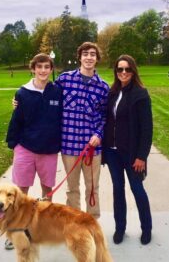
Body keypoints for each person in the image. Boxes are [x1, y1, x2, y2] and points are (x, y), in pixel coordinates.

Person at [5, 53, 62, 249]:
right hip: (25, 148)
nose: (43, 70)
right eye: (39, 67)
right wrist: (13, 143)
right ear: (33, 69)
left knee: (47, 191)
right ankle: (16, 230)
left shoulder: (57, 91)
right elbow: (17, 120)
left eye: (47, 67)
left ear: (51, 69)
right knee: (21, 192)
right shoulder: (22, 93)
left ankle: (43, 228)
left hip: (49, 149)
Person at [55, 42, 109, 219]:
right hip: (69, 145)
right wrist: (19, 100)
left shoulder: (103, 87)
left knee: (92, 187)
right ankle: (74, 223)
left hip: (92, 148)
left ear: (97, 59)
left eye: (93, 54)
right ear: (79, 57)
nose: (89, 57)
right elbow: (45, 97)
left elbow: (105, 116)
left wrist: (98, 134)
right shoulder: (64, 80)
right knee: (72, 188)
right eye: (85, 54)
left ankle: (92, 223)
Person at [102, 54, 153, 245]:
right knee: (117, 190)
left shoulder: (140, 94)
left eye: (127, 69)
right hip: (113, 153)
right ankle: (120, 228)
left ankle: (146, 228)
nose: (123, 72)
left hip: (132, 154)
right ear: (116, 71)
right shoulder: (113, 92)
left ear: (133, 71)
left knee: (137, 189)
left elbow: (147, 129)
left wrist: (142, 156)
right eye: (120, 69)